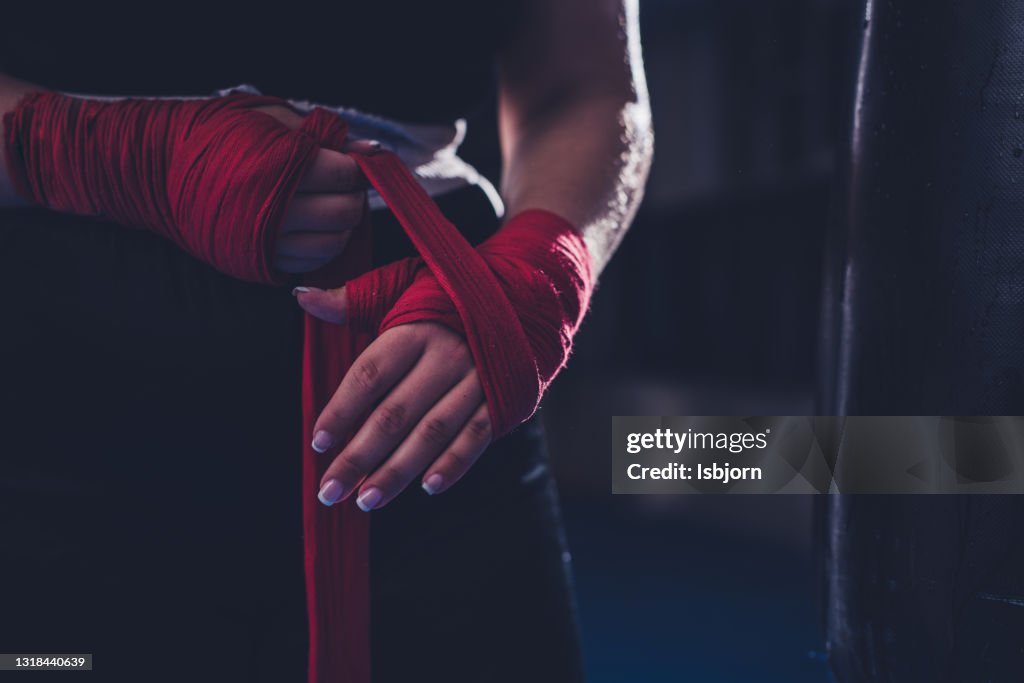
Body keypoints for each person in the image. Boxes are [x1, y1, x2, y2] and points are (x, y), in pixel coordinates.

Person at [0, 1, 652, 681]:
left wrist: (540, 272)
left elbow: (590, 90)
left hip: (449, 389)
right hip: (60, 419)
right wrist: (115, 153)